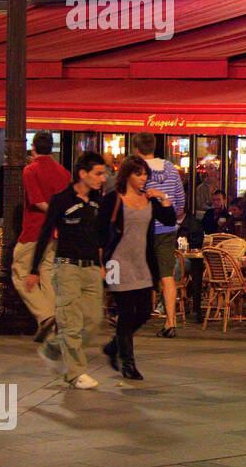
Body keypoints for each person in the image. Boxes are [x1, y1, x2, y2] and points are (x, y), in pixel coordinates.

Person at [27, 151, 108, 389]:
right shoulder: (61, 200)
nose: (102, 179)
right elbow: (44, 234)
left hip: (91, 268)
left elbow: (100, 235)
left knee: (93, 320)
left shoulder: (97, 200)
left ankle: (52, 348)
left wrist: (101, 264)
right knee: (71, 322)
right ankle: (75, 373)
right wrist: (34, 270)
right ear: (83, 174)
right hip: (66, 267)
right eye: (98, 174)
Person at [96, 156, 176, 380]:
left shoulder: (149, 199)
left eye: (145, 175)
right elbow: (100, 232)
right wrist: (101, 263)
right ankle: (128, 362)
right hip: (117, 263)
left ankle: (113, 347)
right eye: (138, 174)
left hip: (142, 263)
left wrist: (165, 197)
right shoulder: (113, 199)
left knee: (143, 312)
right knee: (125, 311)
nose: (143, 179)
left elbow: (170, 220)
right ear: (127, 175)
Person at [13, 132, 71, 346]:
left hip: (34, 230)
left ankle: (45, 316)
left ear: (33, 147)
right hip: (56, 232)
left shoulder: (30, 170)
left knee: (20, 273)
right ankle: (51, 327)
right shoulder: (64, 172)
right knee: (47, 276)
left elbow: (37, 201)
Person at [131, 132, 186, 339]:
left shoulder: (136, 171)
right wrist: (173, 215)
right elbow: (180, 200)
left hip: (142, 228)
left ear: (136, 149)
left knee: (137, 272)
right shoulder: (171, 169)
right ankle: (171, 321)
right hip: (166, 229)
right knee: (168, 276)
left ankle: (130, 314)